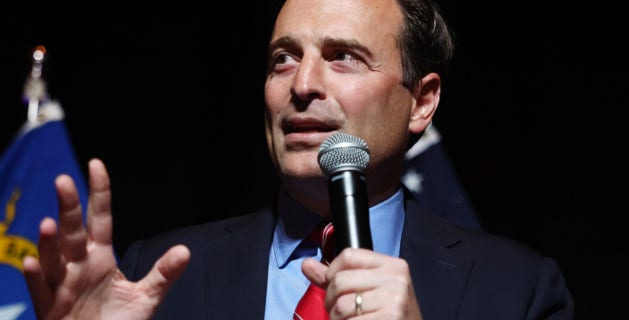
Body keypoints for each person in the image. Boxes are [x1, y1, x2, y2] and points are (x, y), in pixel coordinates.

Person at [22, 0, 574, 318]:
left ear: (421, 102)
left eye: (344, 58)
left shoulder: (518, 291)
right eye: (283, 59)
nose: (303, 85)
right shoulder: (155, 274)